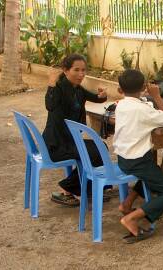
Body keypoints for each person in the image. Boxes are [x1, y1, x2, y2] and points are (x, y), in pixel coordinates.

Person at [113, 69, 163, 244]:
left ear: (121, 89)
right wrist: (157, 96)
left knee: (152, 173)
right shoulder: (142, 109)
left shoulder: (122, 104)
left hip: (124, 159)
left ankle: (126, 204)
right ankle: (133, 218)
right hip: (138, 161)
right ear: (144, 87)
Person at [43, 53, 113, 206]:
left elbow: (97, 98)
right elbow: (50, 104)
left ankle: (88, 189)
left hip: (71, 141)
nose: (81, 74)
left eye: (83, 70)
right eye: (76, 70)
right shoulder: (59, 88)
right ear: (65, 70)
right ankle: (68, 189)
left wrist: (103, 95)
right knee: (96, 151)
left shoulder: (77, 89)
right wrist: (51, 83)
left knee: (100, 147)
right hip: (57, 144)